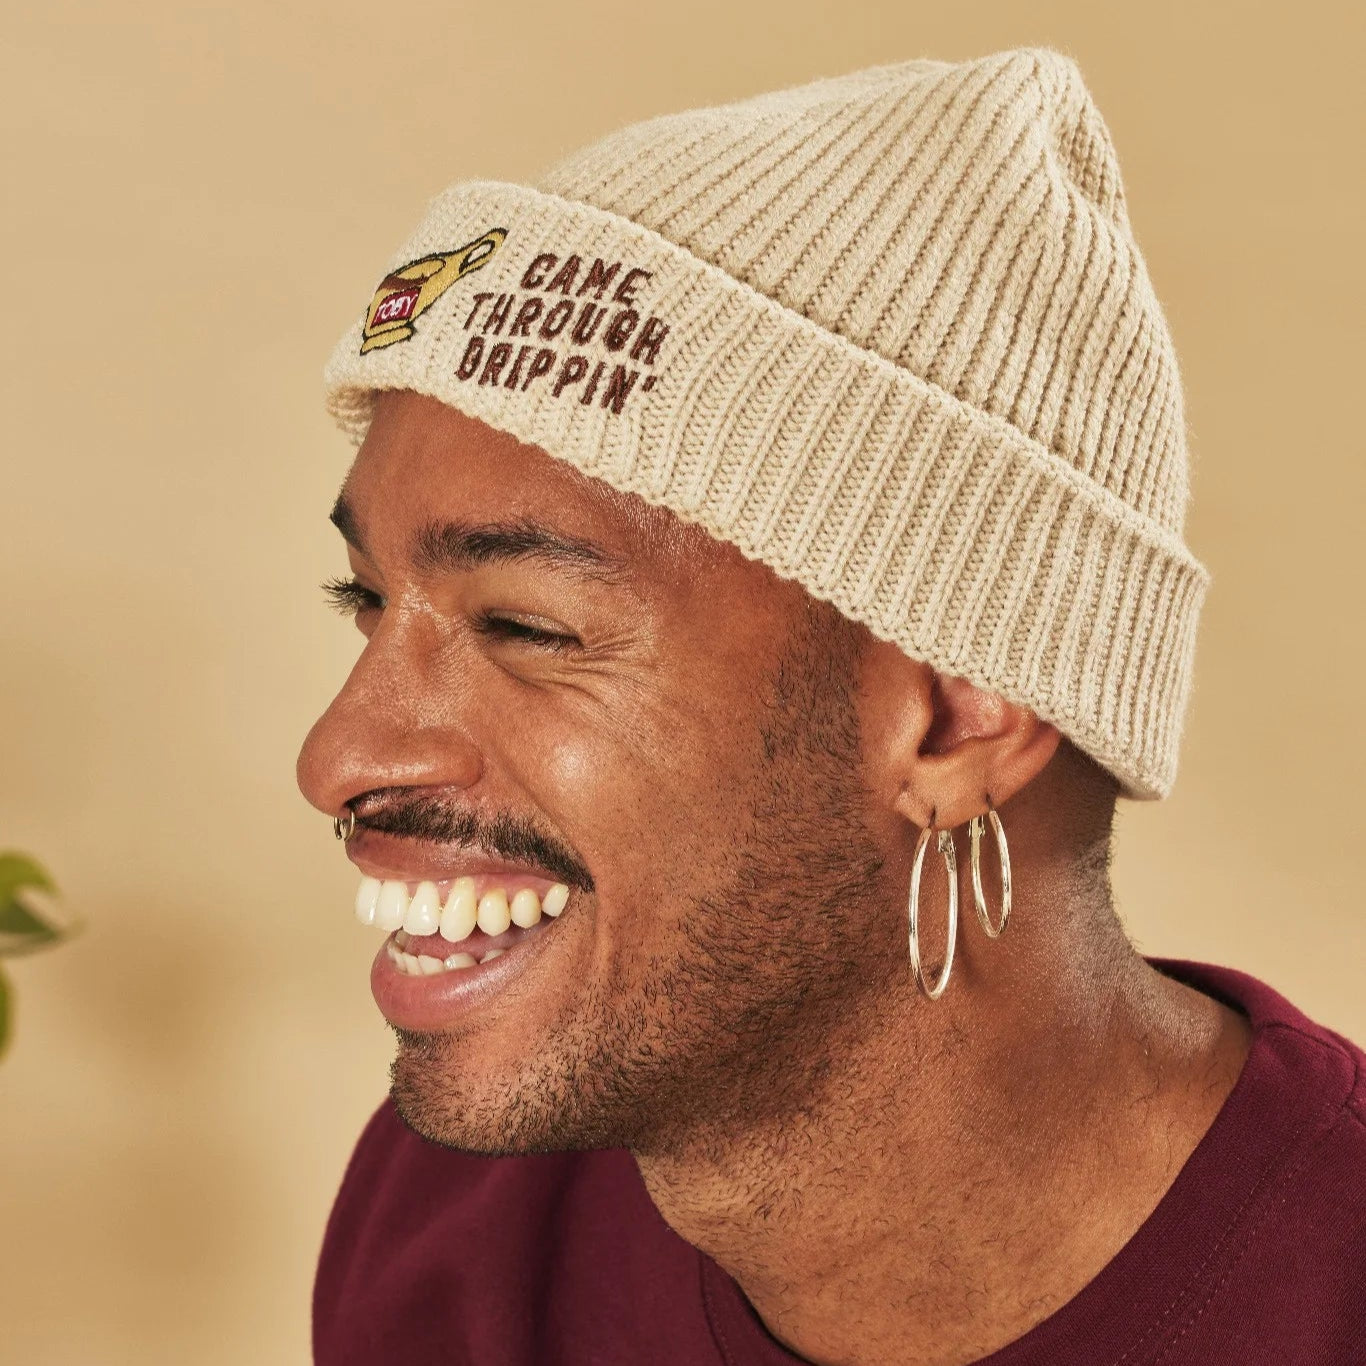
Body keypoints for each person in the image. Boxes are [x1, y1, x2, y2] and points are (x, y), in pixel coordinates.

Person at [296, 46, 1366, 1366]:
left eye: (527, 625)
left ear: (962, 715)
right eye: (363, 601)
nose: (338, 755)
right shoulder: (459, 1218)